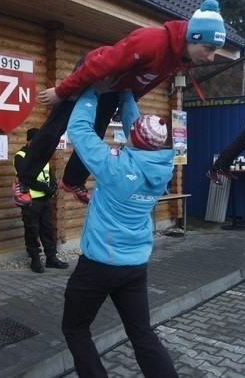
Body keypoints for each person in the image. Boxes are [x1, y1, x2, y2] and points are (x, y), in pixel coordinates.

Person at [14, 0, 226, 206]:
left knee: (95, 133)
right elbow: (98, 67)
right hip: (93, 73)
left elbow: (148, 81)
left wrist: (131, 99)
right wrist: (62, 91)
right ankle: (24, 180)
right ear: (193, 38)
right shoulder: (152, 42)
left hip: (116, 88)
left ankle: (72, 181)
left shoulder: (179, 58)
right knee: (56, 128)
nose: (211, 58)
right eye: (208, 48)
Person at [61, 89, 178, 377]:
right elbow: (139, 134)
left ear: (133, 139)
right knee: (142, 334)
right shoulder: (163, 166)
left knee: (75, 328)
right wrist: (126, 95)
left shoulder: (114, 166)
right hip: (135, 266)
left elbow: (78, 129)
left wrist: (88, 90)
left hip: (99, 265)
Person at [14, 128, 69, 273]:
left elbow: (48, 173)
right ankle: (35, 259)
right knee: (32, 230)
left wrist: (52, 185)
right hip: (31, 200)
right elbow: (27, 178)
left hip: (45, 199)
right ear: (30, 140)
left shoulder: (41, 155)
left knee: (47, 229)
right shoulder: (20, 156)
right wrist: (45, 188)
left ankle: (51, 258)